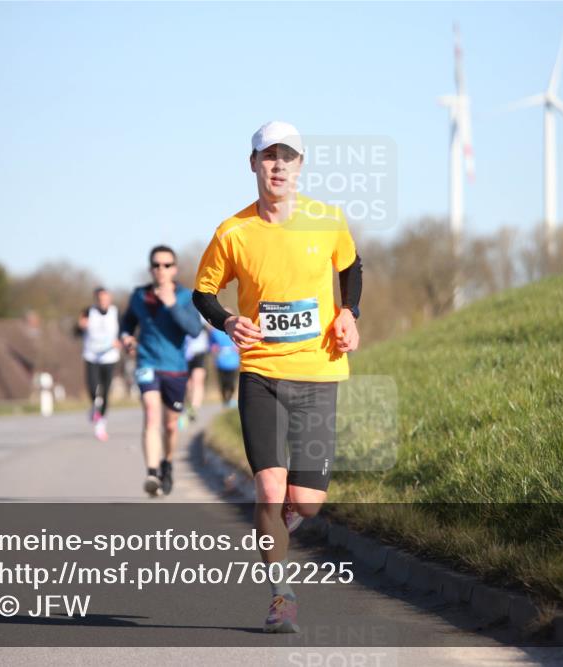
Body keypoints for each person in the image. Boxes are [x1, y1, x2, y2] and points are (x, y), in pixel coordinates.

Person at [192, 121, 362, 633]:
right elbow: (203, 291)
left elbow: (352, 268)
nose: (279, 165)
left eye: (288, 157)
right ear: (253, 164)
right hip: (261, 375)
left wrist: (349, 313)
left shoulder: (326, 219)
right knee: (269, 492)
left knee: (306, 504)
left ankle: (280, 521)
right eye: (269, 156)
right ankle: (281, 595)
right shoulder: (232, 232)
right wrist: (226, 320)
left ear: (301, 165)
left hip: (317, 374)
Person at [120, 246, 203, 497]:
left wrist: (171, 305)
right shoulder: (138, 296)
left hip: (175, 369)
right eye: (156, 265)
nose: (161, 269)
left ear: (174, 269)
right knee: (151, 413)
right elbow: (126, 324)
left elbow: (194, 330)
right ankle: (152, 473)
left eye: (167, 265)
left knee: (170, 427)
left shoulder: (186, 297)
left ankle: (167, 462)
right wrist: (126, 338)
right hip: (147, 364)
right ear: (150, 269)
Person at [77, 287, 121, 442]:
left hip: (109, 357)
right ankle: (94, 408)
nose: (103, 302)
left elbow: (124, 332)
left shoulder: (116, 313)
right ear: (96, 300)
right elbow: (76, 331)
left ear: (110, 299)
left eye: (105, 299)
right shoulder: (88, 312)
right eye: (100, 299)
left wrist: (120, 341)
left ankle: (100, 424)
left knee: (105, 391)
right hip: (92, 356)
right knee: (93, 388)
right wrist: (80, 326)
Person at [182, 321, 210, 425]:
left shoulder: (201, 307)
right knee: (188, 384)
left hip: (199, 350)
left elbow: (210, 325)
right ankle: (189, 405)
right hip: (184, 351)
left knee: (198, 380)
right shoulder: (181, 306)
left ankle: (194, 408)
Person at [209, 325, 240, 407]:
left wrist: (238, 348)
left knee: (231, 383)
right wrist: (214, 348)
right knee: (222, 382)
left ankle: (229, 399)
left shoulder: (235, 330)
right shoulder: (214, 332)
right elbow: (211, 345)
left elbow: (240, 342)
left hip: (233, 361)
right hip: (220, 361)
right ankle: (225, 400)